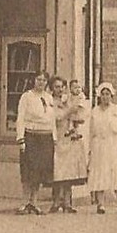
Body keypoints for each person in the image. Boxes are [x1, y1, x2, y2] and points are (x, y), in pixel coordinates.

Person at [87, 82, 117, 215]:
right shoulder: (94, 111)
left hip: (113, 144)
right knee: (100, 173)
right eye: (103, 94)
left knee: (116, 173)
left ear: (111, 95)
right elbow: (90, 132)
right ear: (99, 96)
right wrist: (89, 149)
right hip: (99, 145)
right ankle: (101, 204)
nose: (105, 97)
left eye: (108, 94)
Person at [15, 71, 54, 215]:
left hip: (45, 137)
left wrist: (53, 138)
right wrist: (21, 139)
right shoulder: (27, 97)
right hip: (31, 136)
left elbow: (52, 120)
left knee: (39, 171)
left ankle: (34, 202)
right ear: (34, 81)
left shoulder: (49, 98)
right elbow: (21, 118)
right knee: (28, 170)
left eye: (44, 80)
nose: (41, 83)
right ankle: (24, 202)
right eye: (38, 80)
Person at [49, 76, 89, 213]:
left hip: (69, 138)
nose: (59, 90)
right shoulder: (50, 102)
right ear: (52, 89)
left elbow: (79, 116)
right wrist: (70, 111)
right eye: (56, 87)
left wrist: (75, 114)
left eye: (61, 87)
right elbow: (57, 117)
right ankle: (55, 202)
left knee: (69, 171)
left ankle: (67, 202)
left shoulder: (68, 100)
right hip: (57, 138)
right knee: (58, 171)